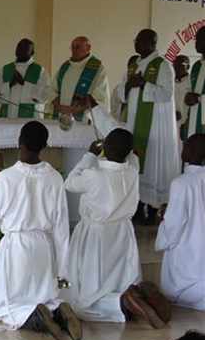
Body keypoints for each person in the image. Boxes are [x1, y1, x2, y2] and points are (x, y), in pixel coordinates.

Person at [0, 121, 80, 340]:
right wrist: (62, 270)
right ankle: (56, 309)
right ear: (44, 146)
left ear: (20, 142)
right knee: (44, 294)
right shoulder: (54, 177)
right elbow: (61, 226)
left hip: (17, 247)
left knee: (0, 306)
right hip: (44, 248)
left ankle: (34, 316)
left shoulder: (6, 178)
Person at [64, 129, 170, 328]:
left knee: (85, 297)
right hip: (123, 232)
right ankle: (135, 296)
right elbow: (133, 157)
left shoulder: (93, 175)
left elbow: (69, 183)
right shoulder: (132, 171)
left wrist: (89, 155)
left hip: (96, 234)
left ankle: (120, 303)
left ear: (103, 147)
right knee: (121, 277)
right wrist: (128, 152)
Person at [113, 29, 180, 224]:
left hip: (155, 125)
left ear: (153, 43)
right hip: (134, 122)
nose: (136, 43)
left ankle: (152, 209)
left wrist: (143, 84)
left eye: (140, 40)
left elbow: (166, 94)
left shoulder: (163, 65)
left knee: (152, 163)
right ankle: (135, 207)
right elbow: (121, 92)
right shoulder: (133, 64)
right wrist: (129, 85)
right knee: (134, 162)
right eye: (136, 40)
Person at [155, 134, 205, 311]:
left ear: (187, 152)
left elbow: (174, 226)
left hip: (188, 254)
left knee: (175, 290)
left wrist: (163, 219)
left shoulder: (181, 183)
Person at [50, 36, 110, 122]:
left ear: (88, 48)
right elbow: (52, 90)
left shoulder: (97, 68)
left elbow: (99, 95)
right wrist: (59, 106)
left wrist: (76, 109)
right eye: (72, 47)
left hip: (84, 118)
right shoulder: (65, 67)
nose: (74, 50)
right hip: (61, 115)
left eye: (77, 47)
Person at [0, 38, 51, 118]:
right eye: (19, 47)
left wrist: (24, 84)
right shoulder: (5, 70)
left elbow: (45, 95)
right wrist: (9, 84)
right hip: (7, 117)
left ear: (32, 53)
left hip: (30, 118)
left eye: (25, 48)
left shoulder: (40, 71)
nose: (20, 50)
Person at [185, 27, 205, 138]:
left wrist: (199, 99)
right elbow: (189, 90)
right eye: (196, 39)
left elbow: (196, 97)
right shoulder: (196, 66)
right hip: (193, 120)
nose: (196, 43)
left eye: (200, 39)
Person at [111, 55, 139, 121]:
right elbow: (115, 109)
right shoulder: (118, 89)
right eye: (131, 67)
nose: (133, 70)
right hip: (120, 123)